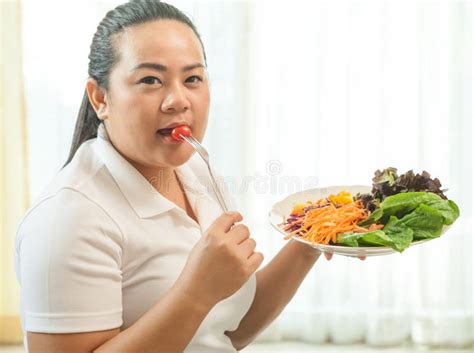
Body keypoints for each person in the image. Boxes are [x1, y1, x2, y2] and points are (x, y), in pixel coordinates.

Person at [14, 1, 360, 352]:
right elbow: (199, 303)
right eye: (151, 80)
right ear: (100, 97)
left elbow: (227, 331)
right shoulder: (66, 220)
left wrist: (312, 237)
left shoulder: (194, 170)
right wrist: (195, 292)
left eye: (192, 78)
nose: (177, 100)